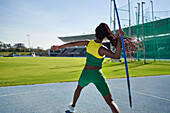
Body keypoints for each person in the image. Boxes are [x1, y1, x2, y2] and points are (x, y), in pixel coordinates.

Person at [51, 23, 123, 113]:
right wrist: (119, 40)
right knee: (110, 101)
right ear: (104, 37)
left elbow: (73, 44)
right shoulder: (102, 49)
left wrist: (59, 47)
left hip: (86, 74)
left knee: (79, 88)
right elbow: (117, 56)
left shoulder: (88, 43)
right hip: (97, 75)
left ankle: (72, 106)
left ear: (95, 34)